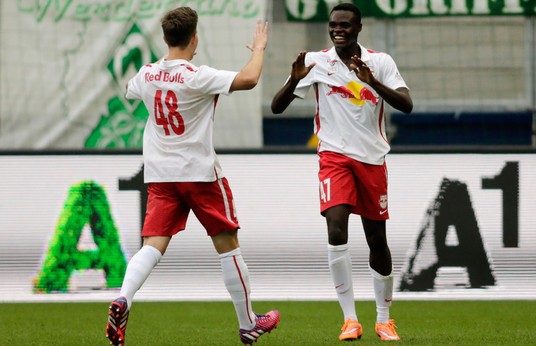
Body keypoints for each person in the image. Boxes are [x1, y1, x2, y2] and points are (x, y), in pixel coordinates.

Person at [105, 7, 279, 346]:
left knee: (153, 245)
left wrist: (155, 72)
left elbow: (129, 87)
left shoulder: (148, 75)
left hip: (161, 176)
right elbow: (249, 79)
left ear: (166, 38)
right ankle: (248, 324)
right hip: (199, 174)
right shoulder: (197, 76)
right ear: (194, 38)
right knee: (228, 245)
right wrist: (258, 49)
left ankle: (124, 298)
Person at [271, 2, 412, 342]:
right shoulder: (317, 62)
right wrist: (293, 80)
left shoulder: (379, 62)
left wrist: (372, 82)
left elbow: (406, 105)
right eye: (334, 24)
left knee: (377, 240)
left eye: (346, 25)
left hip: (372, 161)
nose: (338, 29)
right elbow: (277, 107)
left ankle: (383, 319)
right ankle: (350, 319)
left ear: (359, 28)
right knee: (336, 228)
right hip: (334, 158)